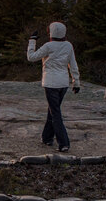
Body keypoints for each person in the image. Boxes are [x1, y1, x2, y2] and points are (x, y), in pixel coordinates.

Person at [27, 21, 80, 152]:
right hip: (63, 83)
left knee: (55, 113)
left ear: (51, 32)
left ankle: (64, 143)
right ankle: (47, 138)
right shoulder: (68, 45)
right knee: (53, 111)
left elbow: (31, 57)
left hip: (51, 83)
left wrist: (32, 41)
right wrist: (76, 81)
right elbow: (73, 64)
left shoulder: (48, 46)